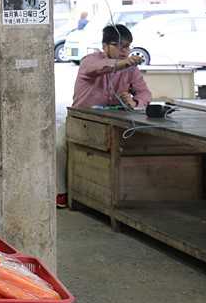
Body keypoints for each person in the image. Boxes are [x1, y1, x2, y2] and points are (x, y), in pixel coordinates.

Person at [59, 24, 152, 208]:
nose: (125, 51)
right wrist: (121, 64)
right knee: (58, 146)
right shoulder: (89, 61)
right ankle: (60, 192)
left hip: (114, 123)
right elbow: (100, 68)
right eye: (120, 46)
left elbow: (145, 94)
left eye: (128, 47)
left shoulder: (131, 69)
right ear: (105, 46)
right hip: (81, 120)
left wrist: (134, 103)